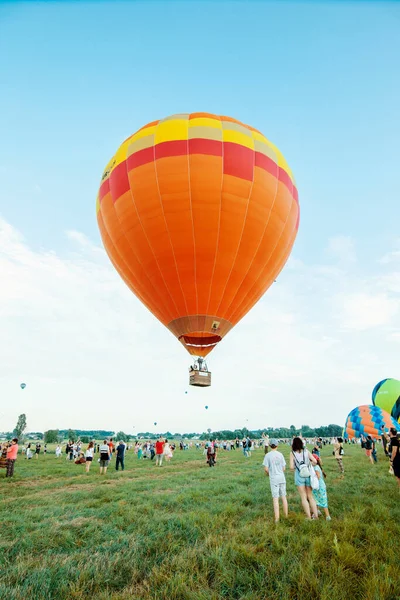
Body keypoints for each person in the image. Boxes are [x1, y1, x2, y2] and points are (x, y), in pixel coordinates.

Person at [290, 436, 319, 520]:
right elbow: (315, 461)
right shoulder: (306, 451)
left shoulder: (292, 453)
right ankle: (316, 516)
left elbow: (291, 467)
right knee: (310, 496)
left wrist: (297, 466)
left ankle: (309, 517)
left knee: (303, 497)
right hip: (308, 474)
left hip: (299, 475)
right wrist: (308, 464)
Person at [262, 439, 288, 523]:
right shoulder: (280, 454)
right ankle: (286, 515)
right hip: (281, 477)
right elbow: (284, 468)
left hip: (274, 479)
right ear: (277, 445)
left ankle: (277, 519)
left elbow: (266, 469)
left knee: (275, 498)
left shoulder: (267, 455)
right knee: (283, 497)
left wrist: (271, 473)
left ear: (269, 446)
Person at [312, 455, 331, 521]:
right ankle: (316, 512)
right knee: (315, 499)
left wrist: (312, 478)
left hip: (319, 487)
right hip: (317, 487)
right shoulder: (317, 466)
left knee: (323, 500)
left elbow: (318, 476)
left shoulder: (316, 467)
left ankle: (327, 516)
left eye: (310, 460)